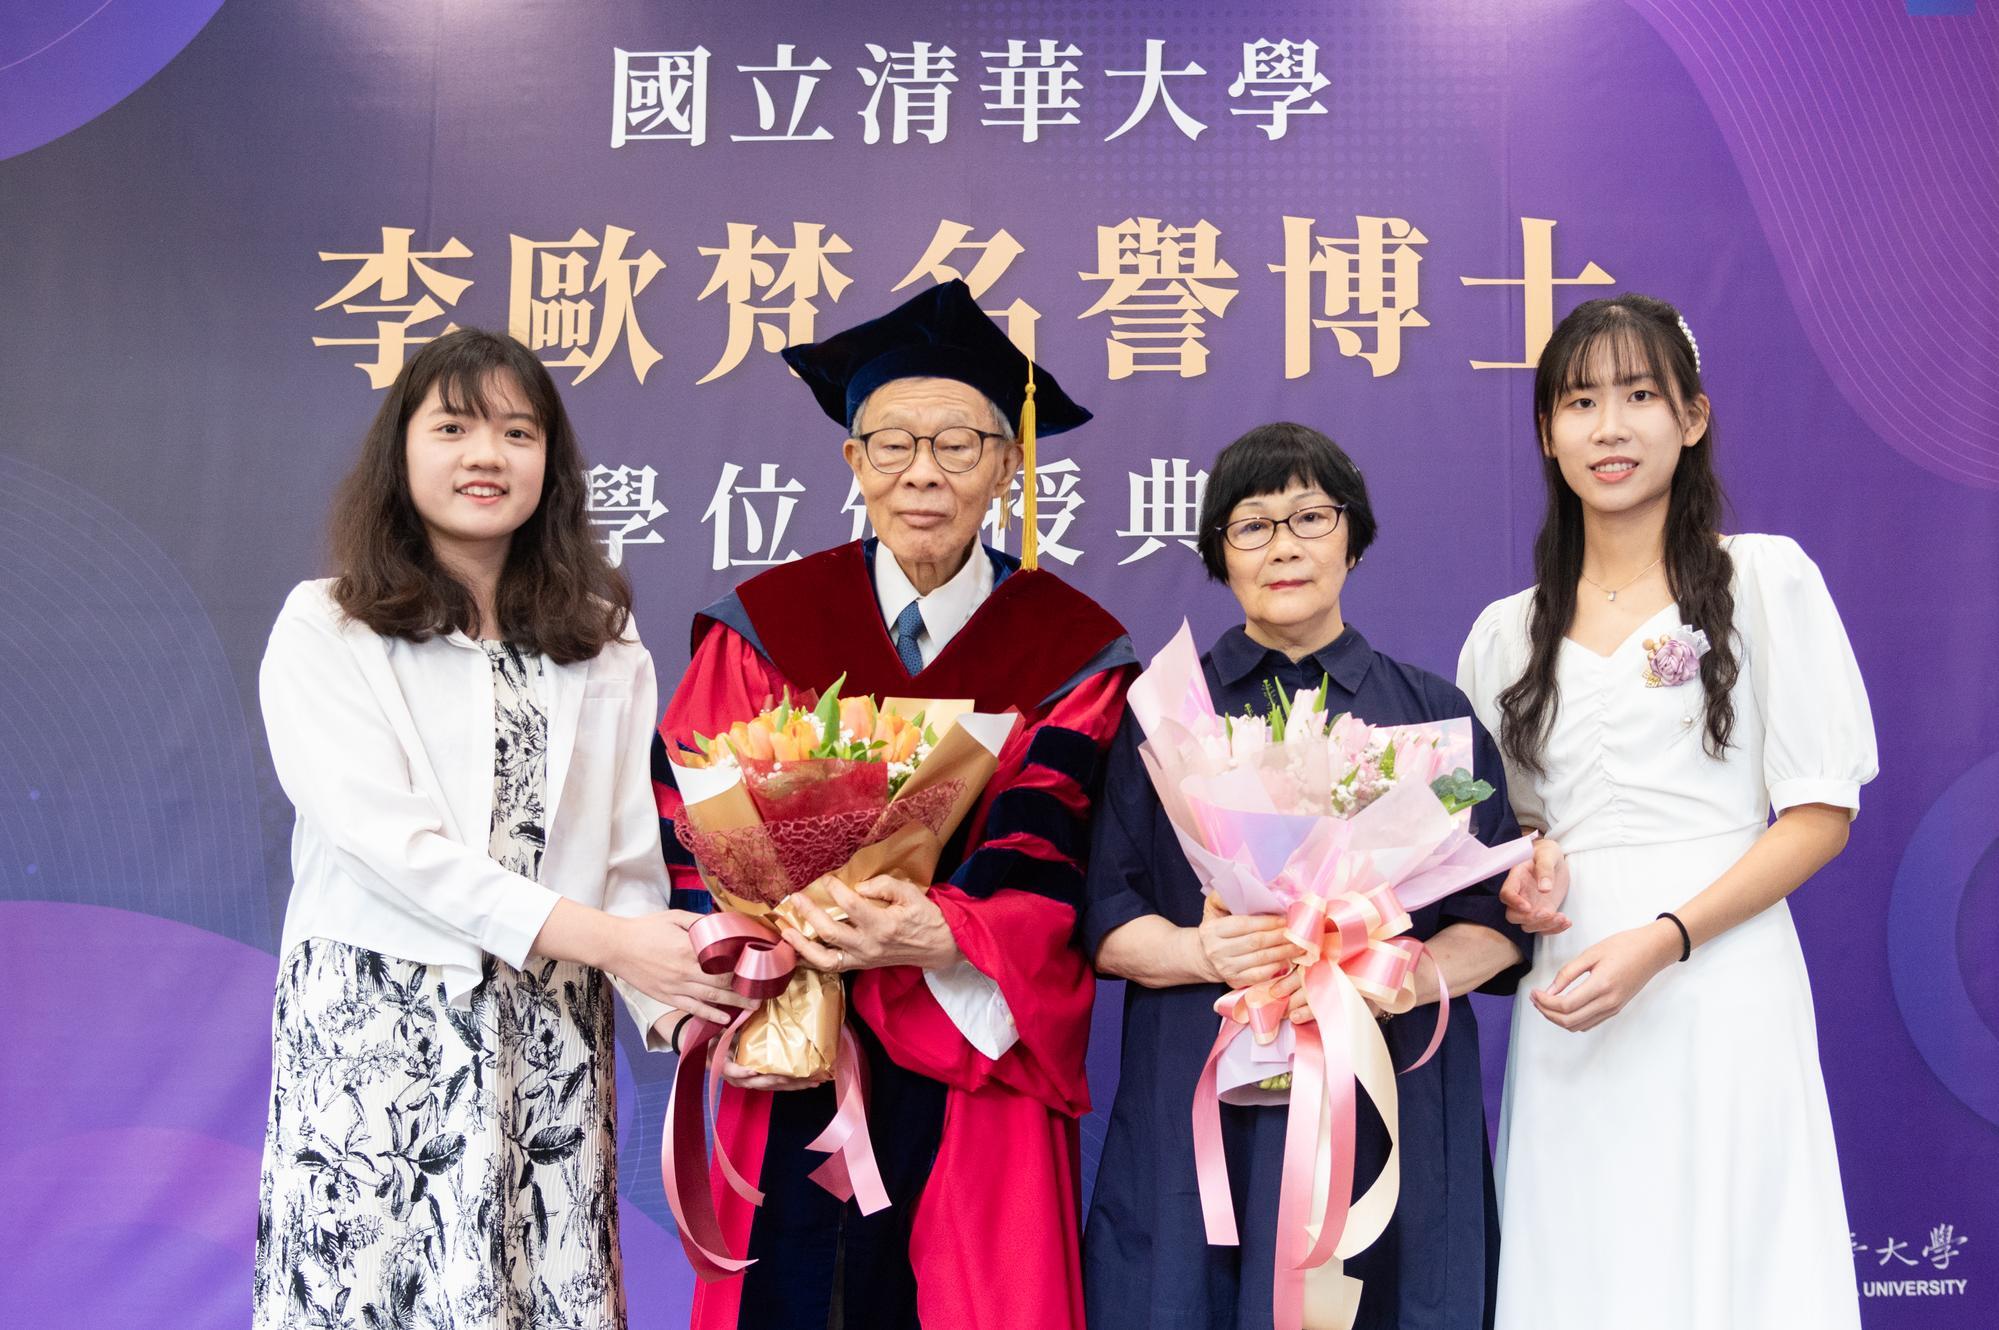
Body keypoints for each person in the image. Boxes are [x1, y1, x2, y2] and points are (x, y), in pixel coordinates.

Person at [651, 280, 1135, 1330]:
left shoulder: (1067, 653)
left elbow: (1056, 850)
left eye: (960, 445)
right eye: (891, 443)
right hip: (790, 1031)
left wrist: (939, 927)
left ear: (1009, 467)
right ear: (851, 462)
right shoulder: (767, 627)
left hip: (963, 1046)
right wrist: (771, 931)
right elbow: (697, 811)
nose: (924, 473)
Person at [253, 329, 748, 1330]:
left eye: (517, 432)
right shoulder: (327, 627)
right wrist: (609, 939)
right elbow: (387, 848)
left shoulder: (600, 638)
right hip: (376, 1040)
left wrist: (688, 1001)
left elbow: (625, 867)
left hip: (552, 1043)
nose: (487, 455)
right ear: (402, 453)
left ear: (549, 467)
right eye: (453, 427)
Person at [1456, 294, 1879, 1330]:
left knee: (1731, 1257)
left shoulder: (1762, 581)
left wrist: (1669, 936)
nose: (1609, 427)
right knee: (1582, 1262)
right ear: (1547, 435)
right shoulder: (1503, 638)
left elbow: (1820, 813)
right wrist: (1524, 870)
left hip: (1719, 982)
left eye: (1639, 395)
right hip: (1573, 997)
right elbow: (1500, 836)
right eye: (1580, 401)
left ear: (1690, 417)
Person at [1083, 421, 1559, 1330]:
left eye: (1308, 514)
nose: (1284, 544)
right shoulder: (1165, 716)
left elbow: (1493, 926)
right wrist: (1201, 948)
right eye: (1251, 525)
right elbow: (1106, 918)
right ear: (1219, 553)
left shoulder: (1430, 717)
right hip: (1203, 1078)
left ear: (1352, 534)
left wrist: (1401, 976)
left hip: (1381, 1088)